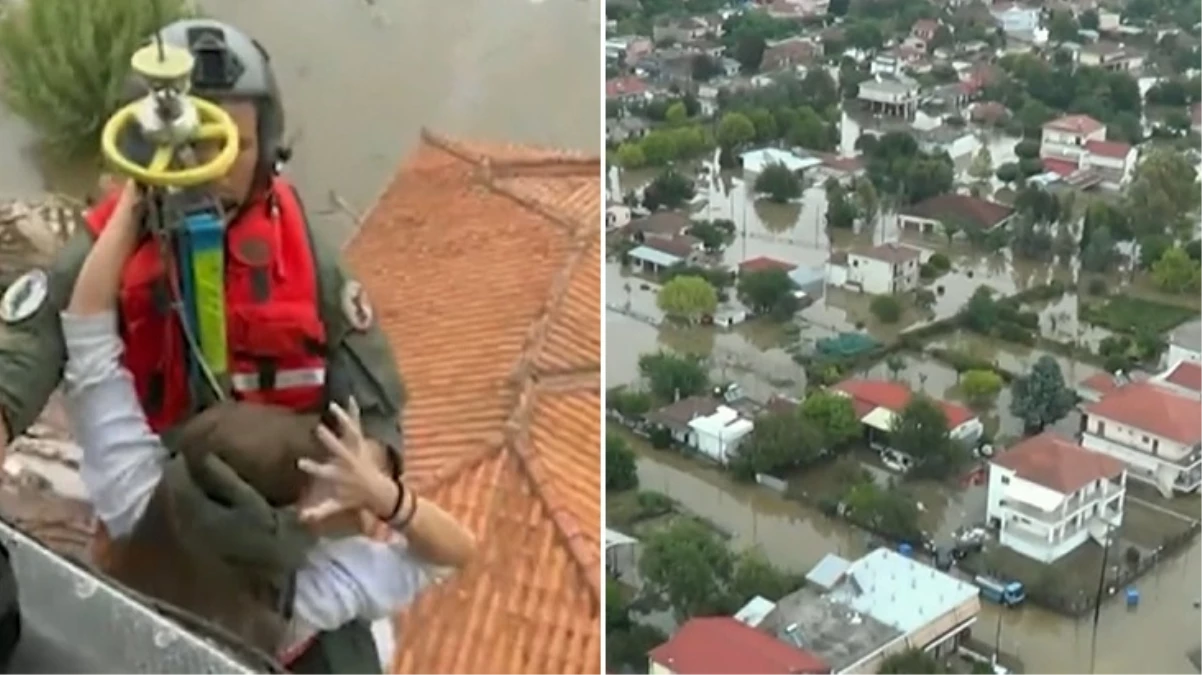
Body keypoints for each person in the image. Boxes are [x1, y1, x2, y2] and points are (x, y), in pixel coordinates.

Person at [0, 16, 407, 669]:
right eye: (189, 144)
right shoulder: (102, 252)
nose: (206, 167)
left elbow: (371, 386)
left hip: (284, 529)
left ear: (267, 146)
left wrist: (372, 470)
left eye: (235, 145)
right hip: (164, 524)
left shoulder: (301, 248)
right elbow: (25, 350)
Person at [60, 182, 475, 671]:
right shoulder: (310, 593)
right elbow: (452, 553)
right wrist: (385, 497)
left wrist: (132, 200)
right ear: (291, 517)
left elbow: (87, 331)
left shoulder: (138, 500)